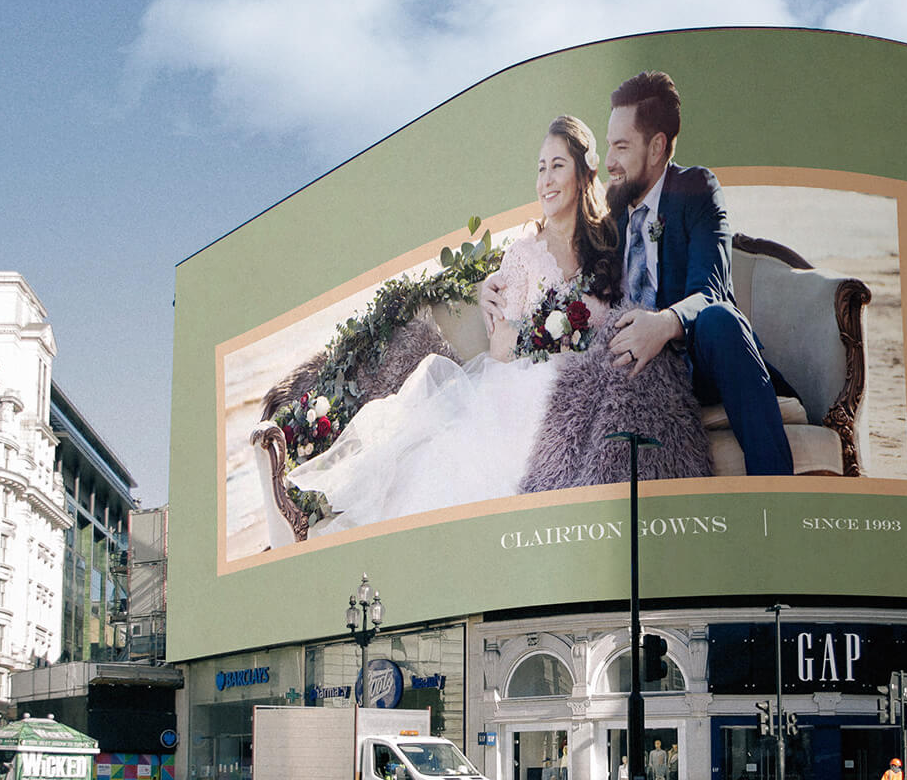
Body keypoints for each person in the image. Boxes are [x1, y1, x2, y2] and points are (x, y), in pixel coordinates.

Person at [288, 116, 621, 528]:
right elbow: (501, 349)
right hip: (523, 384)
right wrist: (555, 340)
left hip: (593, 382)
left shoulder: (610, 246)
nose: (546, 180)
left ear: (583, 173)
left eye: (557, 165)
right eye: (540, 167)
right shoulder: (523, 255)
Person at [602, 71, 795, 474]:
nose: (609, 162)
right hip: (634, 375)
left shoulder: (696, 188)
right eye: (609, 147)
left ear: (656, 147)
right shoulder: (613, 213)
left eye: (621, 147)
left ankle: (777, 495)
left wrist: (663, 324)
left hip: (697, 362)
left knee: (719, 320)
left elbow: (710, 290)